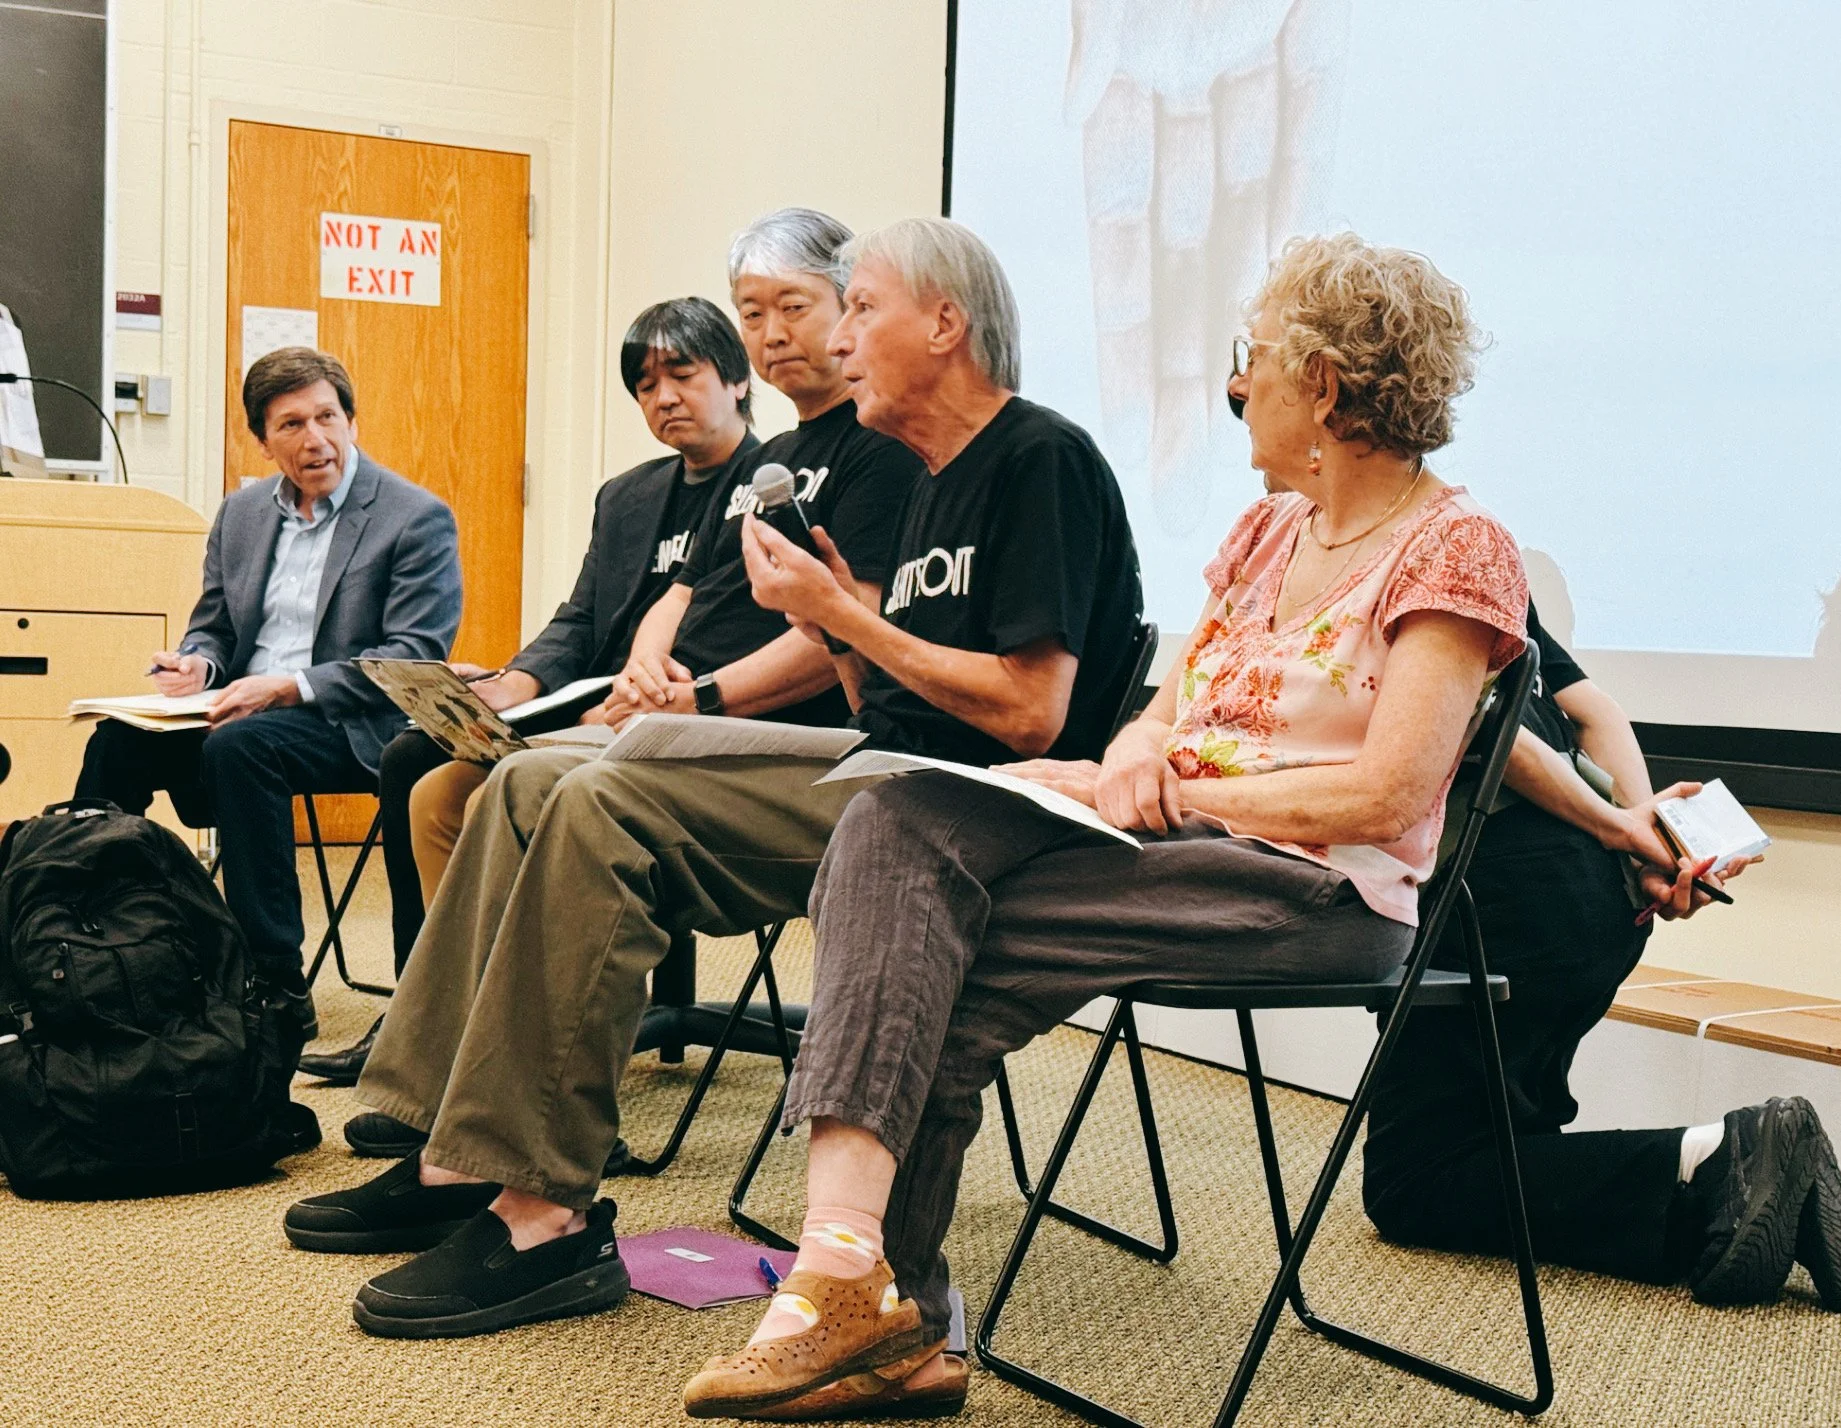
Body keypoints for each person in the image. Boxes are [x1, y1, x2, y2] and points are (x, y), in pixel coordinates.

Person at [680, 231, 1529, 1420]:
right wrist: (1120, 765)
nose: (1237, 385)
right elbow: (1163, 712)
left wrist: (1182, 794)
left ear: (1324, 385)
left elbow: (1387, 797)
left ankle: (871, 1302)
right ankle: (862, 1290)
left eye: (1257, 359)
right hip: (1173, 844)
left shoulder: (1456, 548)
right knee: (897, 817)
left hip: (1318, 890)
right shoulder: (1264, 531)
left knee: (927, 954)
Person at [280, 214, 1144, 1346]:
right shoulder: (933, 475)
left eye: (860, 311)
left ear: (944, 325)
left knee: (589, 803)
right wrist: (830, 621)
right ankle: (452, 1155)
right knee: (529, 782)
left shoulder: (1037, 458)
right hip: (879, 765)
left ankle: (543, 1216)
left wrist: (841, 620)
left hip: (967, 808)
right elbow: (887, 688)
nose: (838, 343)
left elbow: (1029, 709)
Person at [1360, 602, 1841, 1312]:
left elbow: (1483, 725)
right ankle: (1724, 1200)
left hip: (1499, 899)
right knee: (1506, 1144)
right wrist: (1648, 847)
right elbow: (1596, 712)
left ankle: (1721, 1154)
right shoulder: (1493, 569)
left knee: (1413, 1185)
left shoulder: (1393, 565)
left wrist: (1618, 827)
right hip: (1592, 899)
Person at [297, 296, 759, 1085]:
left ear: (739, 380)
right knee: (416, 760)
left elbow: (732, 639)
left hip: (673, 720)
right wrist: (513, 683)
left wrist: (588, 704)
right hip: (586, 706)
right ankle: (432, 1010)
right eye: (646, 386)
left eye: (682, 374)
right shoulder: (628, 496)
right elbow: (579, 618)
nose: (665, 398)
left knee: (479, 798)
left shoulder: (767, 484)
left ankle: (510, 1041)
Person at [73, 348, 460, 1037]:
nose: (315, 439)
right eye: (291, 425)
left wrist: (290, 686)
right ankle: (82, 942)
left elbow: (413, 657)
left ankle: (272, 981)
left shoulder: (414, 517)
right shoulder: (242, 514)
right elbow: (215, 628)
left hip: (352, 723)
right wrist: (198, 667)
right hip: (240, 710)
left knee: (244, 748)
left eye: (327, 417)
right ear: (263, 440)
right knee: (117, 741)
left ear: (351, 420)